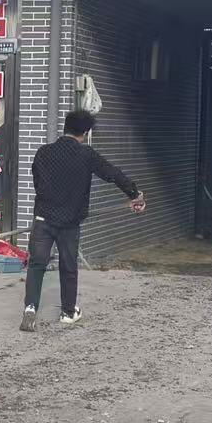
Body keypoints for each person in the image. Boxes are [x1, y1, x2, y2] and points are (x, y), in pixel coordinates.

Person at [20, 109, 145, 331]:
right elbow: (112, 174)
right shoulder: (86, 155)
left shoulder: (43, 152)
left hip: (43, 218)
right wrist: (134, 194)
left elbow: (37, 182)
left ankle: (30, 308)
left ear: (65, 127)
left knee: (37, 264)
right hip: (69, 222)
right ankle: (68, 312)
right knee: (68, 266)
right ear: (86, 133)